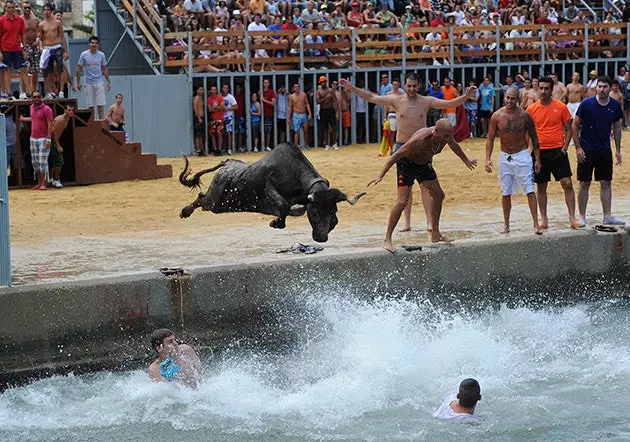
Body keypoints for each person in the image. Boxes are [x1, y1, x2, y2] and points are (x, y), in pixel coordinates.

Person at [340, 73, 476, 235]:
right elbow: (371, 97)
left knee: (426, 186)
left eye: (414, 86)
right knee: (405, 190)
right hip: (403, 146)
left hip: (423, 146)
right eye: (409, 86)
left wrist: (466, 96)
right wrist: (352, 88)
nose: (411, 89)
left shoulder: (425, 101)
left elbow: (450, 103)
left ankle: (429, 221)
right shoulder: (396, 100)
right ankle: (407, 222)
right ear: (405, 86)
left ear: (418, 86)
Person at [366, 119, 477, 251]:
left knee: (439, 195)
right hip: (406, 164)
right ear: (435, 132)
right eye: (445, 137)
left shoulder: (446, 137)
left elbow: (454, 146)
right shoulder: (420, 139)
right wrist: (380, 175)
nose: (447, 140)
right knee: (402, 202)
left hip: (423, 165)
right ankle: (387, 239)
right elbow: (395, 156)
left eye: (449, 136)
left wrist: (466, 160)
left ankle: (435, 233)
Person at [527, 76, 583, 230]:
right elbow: (528, 132)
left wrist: (565, 148)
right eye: (541, 88)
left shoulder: (561, 107)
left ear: (552, 90)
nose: (543, 91)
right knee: (541, 186)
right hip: (539, 152)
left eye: (546, 88)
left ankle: (572, 218)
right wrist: (530, 150)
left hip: (558, 150)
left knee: (567, 183)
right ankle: (544, 219)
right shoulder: (531, 109)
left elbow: (569, 128)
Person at [485, 86, 543, 235]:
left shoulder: (525, 116)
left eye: (512, 98)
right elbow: (490, 139)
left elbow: (535, 139)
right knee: (505, 192)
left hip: (522, 155)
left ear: (518, 99)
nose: (509, 101)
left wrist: (537, 159)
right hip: (505, 156)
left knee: (529, 189)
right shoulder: (497, 116)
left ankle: (536, 223)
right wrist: (488, 159)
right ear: (505, 97)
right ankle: (506, 224)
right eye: (507, 98)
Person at [573, 75, 625, 226]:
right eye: (599, 86)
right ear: (596, 87)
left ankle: (607, 215)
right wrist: (578, 148)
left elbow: (617, 128)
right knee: (584, 182)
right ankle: (582, 216)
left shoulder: (615, 106)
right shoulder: (586, 104)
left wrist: (617, 149)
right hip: (586, 149)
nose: (601, 90)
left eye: (604, 87)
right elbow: (575, 125)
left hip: (604, 149)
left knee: (606, 182)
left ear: (610, 88)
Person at [21, 91, 53, 190]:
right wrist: (24, 119)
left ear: (41, 97)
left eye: (38, 97)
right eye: (34, 97)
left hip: (43, 138)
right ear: (32, 98)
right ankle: (40, 183)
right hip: (33, 138)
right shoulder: (31, 108)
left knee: (42, 161)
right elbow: (34, 118)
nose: (36, 98)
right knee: (35, 162)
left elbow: (50, 124)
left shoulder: (47, 109)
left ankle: (44, 183)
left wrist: (49, 139)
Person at [37, 3, 68, 98]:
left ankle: (61, 91)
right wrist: (41, 48)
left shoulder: (57, 22)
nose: (46, 12)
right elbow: (40, 38)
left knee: (60, 69)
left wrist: (66, 51)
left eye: (48, 10)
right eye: (45, 10)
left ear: (51, 11)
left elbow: (62, 37)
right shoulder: (41, 24)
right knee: (47, 71)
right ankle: (50, 91)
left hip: (57, 46)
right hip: (47, 48)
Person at [76, 36, 110, 120]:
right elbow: (79, 68)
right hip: (88, 82)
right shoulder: (84, 54)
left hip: (99, 81)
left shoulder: (101, 55)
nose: (94, 45)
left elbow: (105, 68)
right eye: (92, 43)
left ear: (98, 45)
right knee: (90, 105)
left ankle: (101, 122)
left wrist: (108, 81)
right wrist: (78, 82)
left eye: (96, 43)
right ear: (89, 44)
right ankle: (92, 123)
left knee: (101, 105)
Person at [0, 0, 27, 100]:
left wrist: (24, 49)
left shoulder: (20, 20)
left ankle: (24, 92)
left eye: (13, 7)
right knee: (7, 71)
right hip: (5, 49)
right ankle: (9, 93)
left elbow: (23, 34)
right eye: (9, 7)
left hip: (17, 48)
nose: (11, 9)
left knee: (23, 69)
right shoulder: (1, 20)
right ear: (5, 8)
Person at [48, 102, 73, 188]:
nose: (70, 112)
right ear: (65, 110)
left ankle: (51, 177)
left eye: (72, 110)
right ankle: (56, 179)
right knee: (59, 162)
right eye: (69, 110)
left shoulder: (67, 119)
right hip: (53, 141)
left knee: (57, 162)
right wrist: (58, 145)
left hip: (54, 141)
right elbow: (53, 132)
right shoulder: (61, 120)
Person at [21, 1, 39, 97]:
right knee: (23, 69)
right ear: (22, 8)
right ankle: (23, 91)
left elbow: (40, 32)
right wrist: (22, 47)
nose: (27, 9)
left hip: (34, 46)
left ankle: (34, 90)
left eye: (28, 7)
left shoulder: (35, 20)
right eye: (25, 8)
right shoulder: (20, 20)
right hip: (24, 46)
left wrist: (37, 40)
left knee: (35, 70)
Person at [316, 75, 338, 150]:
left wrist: (337, 112)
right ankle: (326, 144)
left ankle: (334, 143)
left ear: (326, 81)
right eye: (322, 82)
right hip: (323, 110)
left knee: (334, 127)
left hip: (331, 110)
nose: (323, 83)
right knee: (325, 128)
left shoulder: (331, 90)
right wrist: (326, 98)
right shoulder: (319, 91)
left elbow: (335, 100)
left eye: (324, 81)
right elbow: (317, 102)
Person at [288, 82, 311, 149]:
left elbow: (307, 104)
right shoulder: (291, 96)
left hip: (303, 114)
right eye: (295, 87)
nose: (296, 88)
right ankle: (296, 146)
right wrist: (288, 117)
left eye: (298, 86)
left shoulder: (303, 94)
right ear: (293, 88)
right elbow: (290, 107)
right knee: (296, 131)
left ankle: (306, 144)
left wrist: (309, 113)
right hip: (296, 115)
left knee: (305, 130)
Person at [564, 72, 585, 145]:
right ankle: (570, 139)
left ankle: (576, 138)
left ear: (579, 78)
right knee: (568, 121)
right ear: (572, 77)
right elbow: (566, 94)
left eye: (577, 76)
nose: (575, 77)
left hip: (577, 104)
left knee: (575, 122)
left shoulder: (581, 87)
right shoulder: (568, 86)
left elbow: (583, 97)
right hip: (570, 104)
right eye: (574, 75)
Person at [206, 84, 224, 155]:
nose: (213, 91)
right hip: (213, 119)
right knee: (212, 134)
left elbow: (222, 107)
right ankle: (215, 149)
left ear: (216, 90)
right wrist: (218, 107)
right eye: (212, 89)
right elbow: (210, 110)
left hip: (220, 118)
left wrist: (214, 108)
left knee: (219, 134)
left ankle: (219, 149)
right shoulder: (209, 99)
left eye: (214, 89)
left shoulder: (220, 97)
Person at [260, 78, 275, 151]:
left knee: (268, 131)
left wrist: (264, 100)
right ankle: (261, 145)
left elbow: (273, 103)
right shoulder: (260, 92)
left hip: (268, 114)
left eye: (267, 82)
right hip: (260, 114)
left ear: (269, 84)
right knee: (261, 130)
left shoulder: (271, 92)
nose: (265, 84)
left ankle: (267, 145)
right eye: (264, 82)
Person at [192, 85, 205, 155]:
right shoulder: (196, 98)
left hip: (201, 118)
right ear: (197, 91)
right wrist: (199, 117)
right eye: (200, 90)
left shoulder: (201, 98)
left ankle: (201, 149)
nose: (201, 91)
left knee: (201, 135)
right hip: (198, 118)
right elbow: (195, 108)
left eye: (202, 90)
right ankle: (198, 150)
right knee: (197, 135)